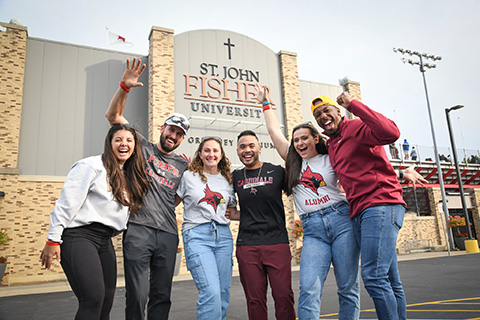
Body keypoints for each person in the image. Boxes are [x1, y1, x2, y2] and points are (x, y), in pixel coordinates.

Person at [312, 92, 427, 320]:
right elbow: (368, 168)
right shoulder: (332, 144)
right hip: (359, 211)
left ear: (338, 111)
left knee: (374, 277)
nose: (323, 116)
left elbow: (391, 133)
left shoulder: (355, 127)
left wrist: (354, 105)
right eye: (317, 114)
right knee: (390, 280)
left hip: (380, 204)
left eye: (327, 110)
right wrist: (402, 172)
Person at [255, 85, 360, 319]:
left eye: (304, 138)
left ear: (315, 138)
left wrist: (401, 175)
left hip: (342, 221)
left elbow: (360, 169)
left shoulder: (331, 156)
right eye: (296, 140)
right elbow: (273, 131)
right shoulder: (293, 161)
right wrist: (265, 103)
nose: (300, 143)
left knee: (347, 288)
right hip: (313, 230)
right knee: (309, 289)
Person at [105, 58, 190, 320]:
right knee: (138, 293)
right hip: (138, 229)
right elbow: (114, 117)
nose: (173, 136)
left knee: (162, 295)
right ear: (161, 128)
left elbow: (175, 198)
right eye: (170, 129)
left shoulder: (182, 165)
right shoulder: (141, 146)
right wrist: (125, 87)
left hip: (167, 234)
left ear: (182, 138)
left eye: (178, 133)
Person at [40, 124, 149, 320]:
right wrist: (52, 239)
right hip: (79, 236)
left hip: (104, 241)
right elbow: (66, 205)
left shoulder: (128, 175)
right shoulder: (90, 166)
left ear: (134, 146)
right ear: (109, 143)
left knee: (106, 303)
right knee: (93, 299)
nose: (124, 144)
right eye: (118, 139)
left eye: (129, 140)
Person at [228, 130, 295, 320]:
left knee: (283, 296)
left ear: (259, 148)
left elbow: (300, 187)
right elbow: (226, 204)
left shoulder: (276, 171)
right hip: (247, 245)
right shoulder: (235, 177)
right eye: (242, 147)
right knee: (255, 299)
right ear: (237, 151)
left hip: (277, 243)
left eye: (251, 146)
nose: (247, 150)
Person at [176, 136, 238, 320]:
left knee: (223, 292)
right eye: (207, 150)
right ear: (200, 154)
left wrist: (264, 215)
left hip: (224, 236)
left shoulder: (228, 180)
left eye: (215, 151)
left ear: (221, 155)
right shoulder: (189, 176)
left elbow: (232, 212)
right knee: (210, 291)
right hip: (197, 235)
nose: (211, 154)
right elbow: (171, 202)